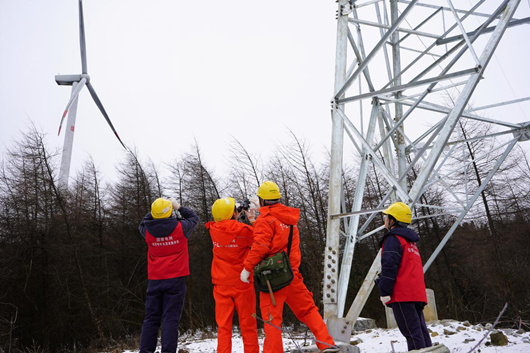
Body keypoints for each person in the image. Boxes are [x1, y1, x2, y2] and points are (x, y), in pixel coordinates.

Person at [240, 181, 340, 353]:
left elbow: (261, 246)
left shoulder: (266, 220)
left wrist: (247, 268)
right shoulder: (290, 219)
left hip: (272, 280)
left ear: (262, 200)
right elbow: (276, 236)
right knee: (308, 310)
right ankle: (327, 344)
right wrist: (255, 219)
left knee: (272, 320)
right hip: (291, 275)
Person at [138, 197, 199, 353]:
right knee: (170, 319)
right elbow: (194, 218)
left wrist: (155, 211)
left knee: (151, 319)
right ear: (170, 212)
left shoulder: (147, 231)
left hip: (155, 280)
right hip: (176, 280)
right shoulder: (181, 228)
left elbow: (143, 222)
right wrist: (178, 207)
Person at [205, 197, 259, 353]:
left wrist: (234, 213)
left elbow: (225, 225)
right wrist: (251, 220)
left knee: (224, 327)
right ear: (233, 213)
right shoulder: (244, 231)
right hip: (242, 282)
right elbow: (260, 239)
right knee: (248, 325)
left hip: (221, 284)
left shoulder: (213, 230)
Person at [377, 202, 432, 352]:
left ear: (393, 220)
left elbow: (389, 266)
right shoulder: (410, 242)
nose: (385, 220)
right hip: (416, 294)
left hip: (403, 295)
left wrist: (384, 291)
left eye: (387, 217)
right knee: (420, 332)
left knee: (412, 334)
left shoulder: (393, 239)